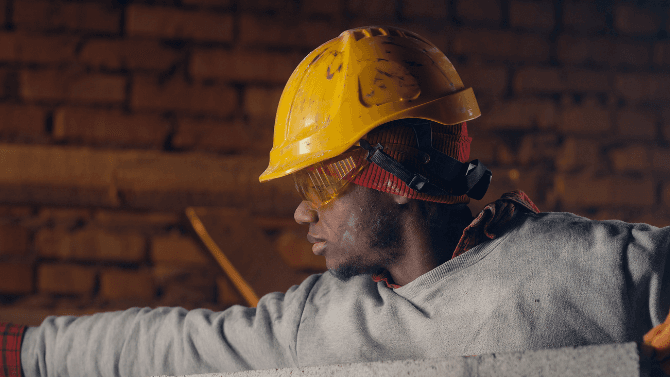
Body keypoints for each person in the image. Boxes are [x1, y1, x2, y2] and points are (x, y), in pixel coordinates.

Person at [1, 26, 669, 377]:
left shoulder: (593, 269)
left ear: (394, 165)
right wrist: (24, 350)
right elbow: (168, 344)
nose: (301, 212)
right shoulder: (315, 323)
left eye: (319, 181)